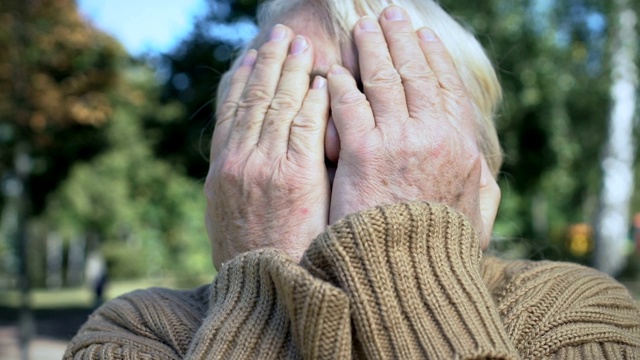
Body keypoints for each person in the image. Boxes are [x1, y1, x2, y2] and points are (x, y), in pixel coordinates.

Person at [64, 0, 640, 358]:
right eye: (297, 99)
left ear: (478, 160)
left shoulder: (579, 316)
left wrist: (408, 256)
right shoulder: (135, 333)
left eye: (389, 99)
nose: (349, 139)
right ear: (232, 156)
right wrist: (270, 280)